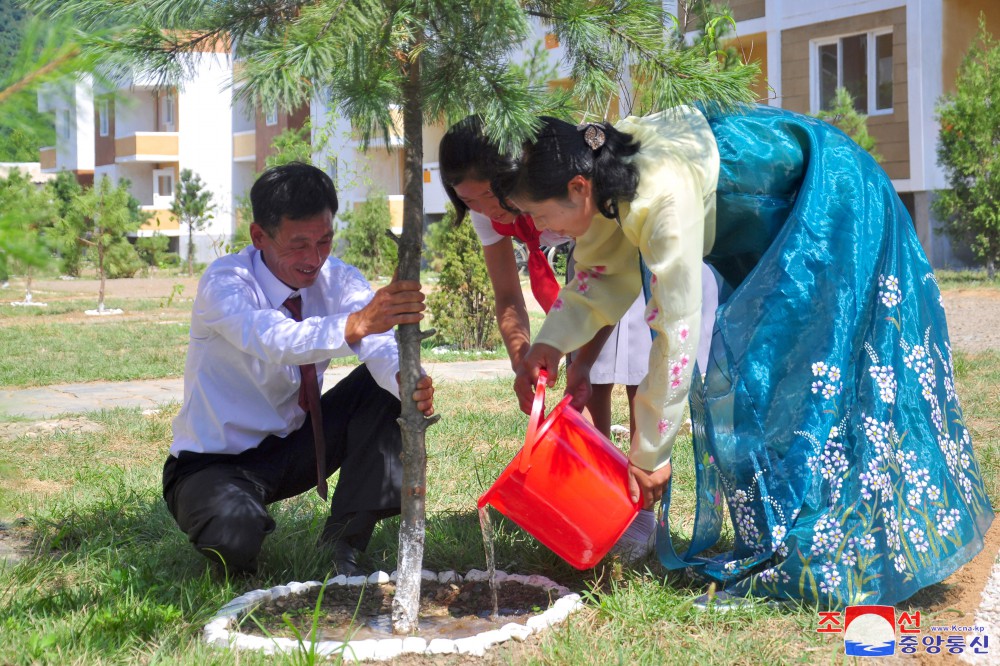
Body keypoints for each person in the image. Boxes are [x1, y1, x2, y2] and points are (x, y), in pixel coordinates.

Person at [496, 105, 994, 607]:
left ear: (578, 188)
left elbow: (676, 328)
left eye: (539, 215)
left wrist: (649, 453)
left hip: (832, 205)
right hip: (778, 234)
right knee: (764, 380)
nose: (539, 229)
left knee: (805, 375)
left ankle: (839, 548)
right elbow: (603, 273)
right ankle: (799, 536)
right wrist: (549, 343)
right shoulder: (608, 176)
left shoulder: (659, 192)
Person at [164, 162, 434, 577]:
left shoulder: (337, 278)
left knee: (384, 388)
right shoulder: (226, 282)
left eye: (324, 240)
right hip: (214, 462)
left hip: (297, 448)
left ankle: (343, 542)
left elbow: (378, 343)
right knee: (234, 540)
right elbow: (276, 340)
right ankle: (238, 526)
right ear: (259, 236)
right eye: (299, 245)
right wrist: (358, 321)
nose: (314, 258)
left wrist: (406, 382)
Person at [439, 116, 655, 561]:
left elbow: (610, 283)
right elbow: (507, 296)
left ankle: (647, 503)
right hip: (585, 262)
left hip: (616, 246)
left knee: (634, 361)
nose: (483, 208)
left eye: (487, 194)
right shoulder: (493, 216)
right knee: (584, 386)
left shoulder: (555, 185)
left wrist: (583, 355)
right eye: (467, 201)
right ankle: (608, 488)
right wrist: (527, 360)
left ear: (512, 177)